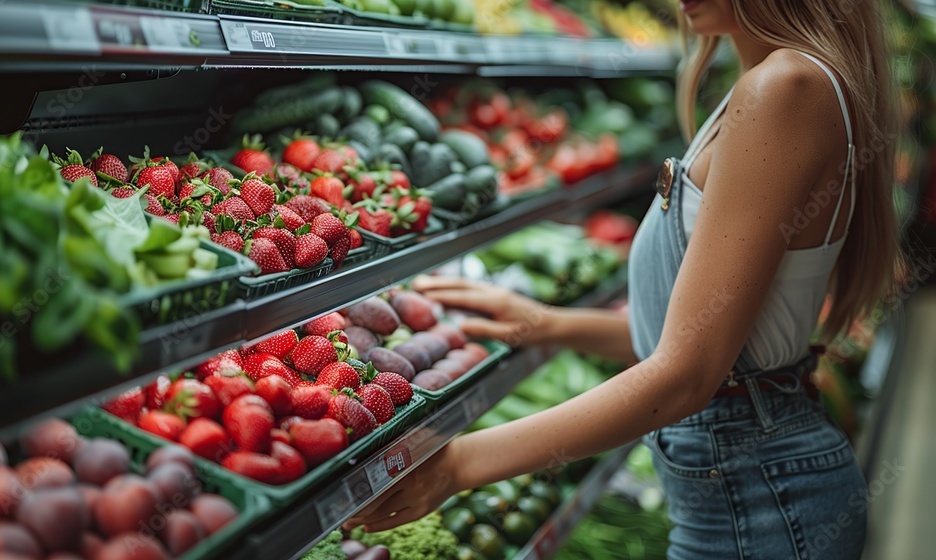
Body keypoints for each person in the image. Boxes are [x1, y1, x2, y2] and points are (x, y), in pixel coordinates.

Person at [344, 1, 902, 558]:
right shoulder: (771, 83)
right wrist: (546, 324)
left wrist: (456, 464)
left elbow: (686, 375)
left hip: (758, 499)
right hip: (749, 485)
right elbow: (708, 342)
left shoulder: (784, 87)